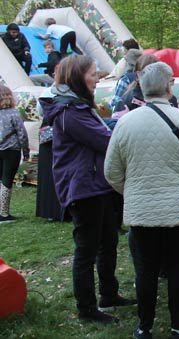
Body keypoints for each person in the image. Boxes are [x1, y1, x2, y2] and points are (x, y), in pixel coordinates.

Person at [105, 62, 179, 339]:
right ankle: (178, 326)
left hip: (142, 211)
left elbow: (112, 172)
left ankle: (145, 327)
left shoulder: (125, 123)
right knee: (178, 267)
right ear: (169, 86)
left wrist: (133, 191)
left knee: (145, 269)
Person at [39, 55, 134, 324]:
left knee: (108, 242)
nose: (97, 79)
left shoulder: (79, 107)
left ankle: (109, 294)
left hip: (96, 184)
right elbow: (106, 141)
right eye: (92, 74)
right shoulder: (70, 113)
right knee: (87, 250)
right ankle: (87, 309)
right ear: (77, 77)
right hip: (83, 188)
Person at [35, 64, 70, 222]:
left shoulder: (47, 91)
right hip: (61, 133)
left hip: (49, 135)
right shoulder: (68, 92)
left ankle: (50, 210)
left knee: (49, 173)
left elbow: (40, 111)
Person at [112, 54, 178, 116]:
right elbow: (117, 123)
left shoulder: (171, 99)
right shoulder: (126, 101)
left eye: (157, 73)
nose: (154, 77)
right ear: (138, 75)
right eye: (148, 73)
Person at [0, 85, 29, 223]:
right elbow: (22, 134)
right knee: (6, 181)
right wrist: (26, 151)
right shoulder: (14, 113)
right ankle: (3, 213)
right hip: (11, 151)